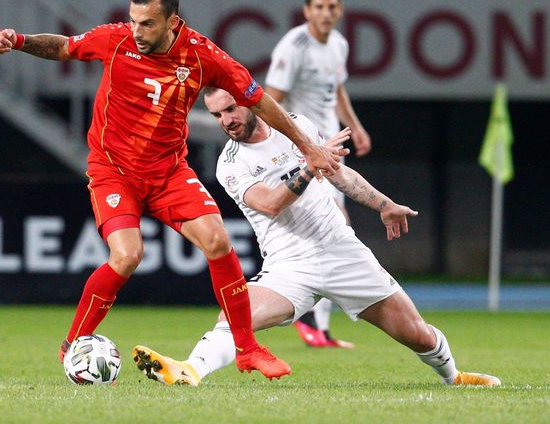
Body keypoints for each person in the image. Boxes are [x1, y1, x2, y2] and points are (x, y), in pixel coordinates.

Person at [0, 0, 341, 380]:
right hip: (114, 170)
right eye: (134, 20)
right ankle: (74, 344)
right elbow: (64, 46)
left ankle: (246, 347)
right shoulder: (115, 40)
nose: (137, 32)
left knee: (218, 240)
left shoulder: (204, 56)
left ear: (173, 21)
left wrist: (307, 146)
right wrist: (17, 40)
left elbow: (258, 99)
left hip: (169, 171)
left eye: (148, 24)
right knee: (127, 255)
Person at [131, 87, 502, 388]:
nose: (226, 120)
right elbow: (272, 204)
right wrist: (309, 165)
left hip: (342, 251)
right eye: (217, 115)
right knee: (234, 316)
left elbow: (340, 175)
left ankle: (454, 376)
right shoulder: (230, 163)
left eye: (231, 109)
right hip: (289, 264)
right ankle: (189, 370)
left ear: (248, 101)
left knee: (418, 335)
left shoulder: (295, 127)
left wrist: (384, 204)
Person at [264, 0, 370, 348]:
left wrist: (354, 126)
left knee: (333, 229)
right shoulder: (293, 47)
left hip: (332, 148)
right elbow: (269, 100)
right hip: (308, 149)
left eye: (332, 7)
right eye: (319, 7)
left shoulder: (338, 44)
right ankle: (309, 318)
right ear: (307, 11)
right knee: (336, 226)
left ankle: (317, 327)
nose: (326, 13)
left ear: (339, 10)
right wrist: (293, 147)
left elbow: (337, 91)